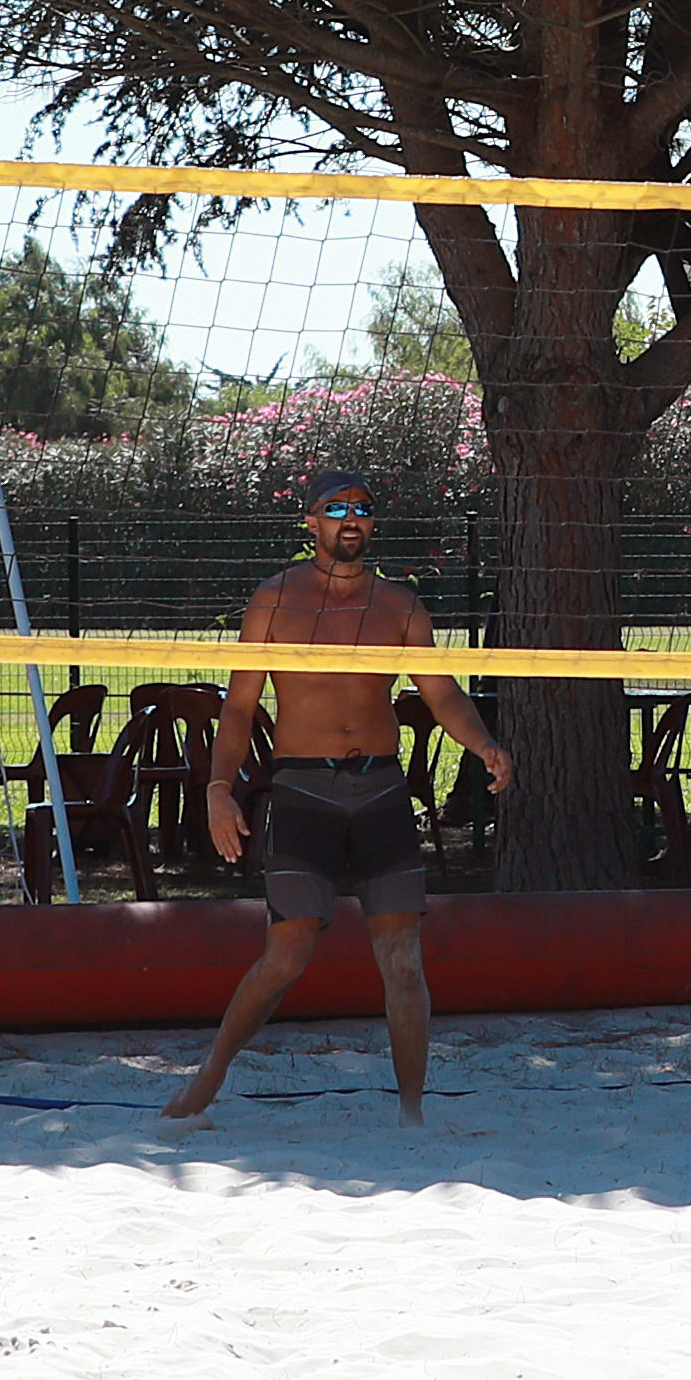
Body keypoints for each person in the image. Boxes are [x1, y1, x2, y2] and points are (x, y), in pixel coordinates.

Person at [164, 469, 515, 1125]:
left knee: (402, 961)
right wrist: (219, 790)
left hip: (380, 789)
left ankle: (412, 1113)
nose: (350, 519)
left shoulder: (401, 606)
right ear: (311, 522)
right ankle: (208, 1077)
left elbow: (442, 695)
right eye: (336, 509)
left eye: (361, 509)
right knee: (286, 954)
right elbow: (239, 709)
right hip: (302, 789)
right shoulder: (274, 599)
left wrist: (484, 745)